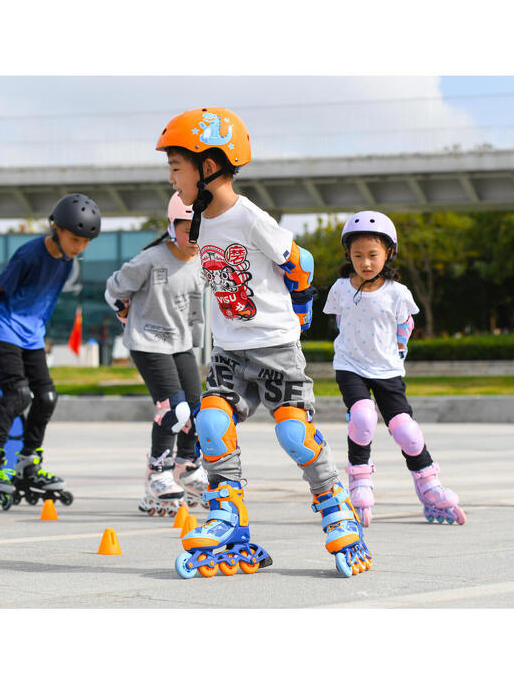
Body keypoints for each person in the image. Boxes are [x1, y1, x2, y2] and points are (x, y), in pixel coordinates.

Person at [157, 106, 371, 579]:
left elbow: (303, 263)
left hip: (274, 347)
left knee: (293, 433)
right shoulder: (196, 223)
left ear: (209, 167)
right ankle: (228, 515)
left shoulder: (249, 217)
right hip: (230, 352)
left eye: (176, 168)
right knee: (210, 422)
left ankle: (336, 504)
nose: (171, 179)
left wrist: (301, 309)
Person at [322, 210, 466, 526]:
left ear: (388, 253)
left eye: (373, 255)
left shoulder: (398, 293)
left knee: (407, 432)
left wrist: (398, 352)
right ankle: (359, 481)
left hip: (387, 370)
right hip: (350, 366)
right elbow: (340, 321)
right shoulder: (340, 288)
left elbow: (406, 325)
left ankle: (429, 487)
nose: (366, 262)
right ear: (348, 254)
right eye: (357, 255)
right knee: (362, 417)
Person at [0, 193, 101, 510]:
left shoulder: (67, 262)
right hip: (3, 330)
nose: (80, 246)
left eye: (86, 241)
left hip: (31, 336)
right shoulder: (30, 254)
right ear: (56, 228)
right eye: (75, 238)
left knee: (47, 398)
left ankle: (27, 462)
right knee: (18, 395)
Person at [105, 192, 208, 517]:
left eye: (199, 229)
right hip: (147, 342)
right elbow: (114, 288)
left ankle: (185, 468)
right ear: (171, 225)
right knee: (173, 410)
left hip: (180, 345)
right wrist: (122, 311)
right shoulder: (150, 259)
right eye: (186, 227)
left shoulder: (201, 264)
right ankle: (157, 475)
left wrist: (194, 338)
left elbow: (194, 308)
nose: (193, 237)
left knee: (197, 411)